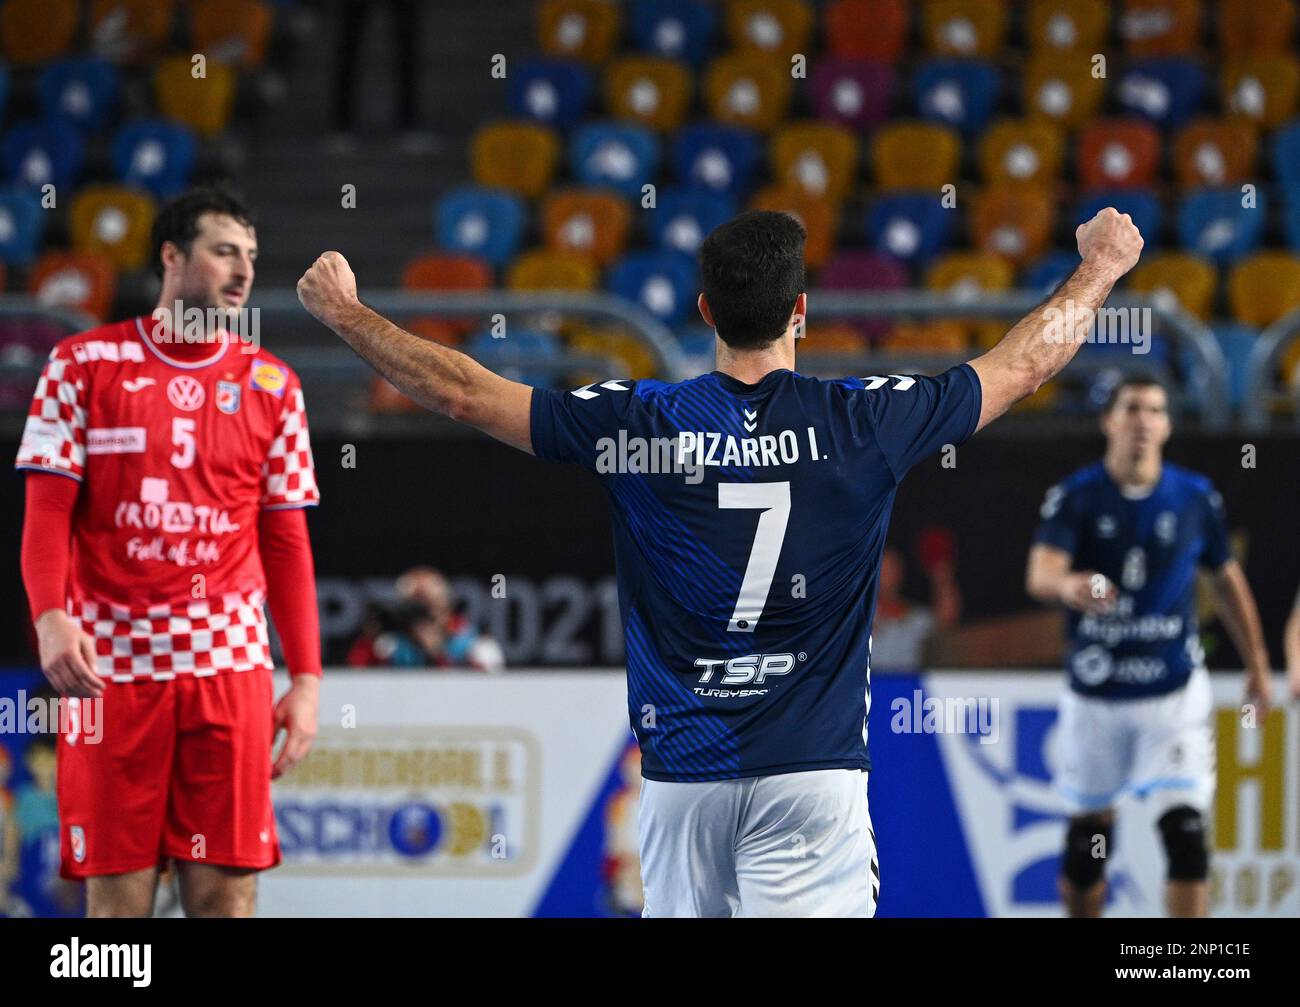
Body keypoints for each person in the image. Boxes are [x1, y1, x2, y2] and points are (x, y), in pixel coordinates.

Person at [297, 206, 1144, 917]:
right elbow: (1026, 364)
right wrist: (1102, 266)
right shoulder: (865, 422)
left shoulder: (639, 423)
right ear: (802, 311)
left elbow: (462, 391)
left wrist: (345, 313)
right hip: (814, 773)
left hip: (680, 781)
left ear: (703, 309)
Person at [15, 185, 323, 918]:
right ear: (172, 256)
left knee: (226, 897)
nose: (243, 270)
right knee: (119, 906)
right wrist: (50, 616)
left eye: (250, 255)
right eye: (224, 251)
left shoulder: (274, 383)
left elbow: (285, 540)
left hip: (229, 672)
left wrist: (306, 675)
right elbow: (48, 508)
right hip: (110, 675)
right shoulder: (81, 364)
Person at [1026, 373, 1272, 919]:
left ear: (1166, 426)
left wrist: (1257, 665)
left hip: (1172, 694)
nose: (1144, 420)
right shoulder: (1077, 496)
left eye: (1156, 410)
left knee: (1186, 836)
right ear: (1109, 420)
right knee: (1087, 850)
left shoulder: (1192, 497)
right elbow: (1041, 573)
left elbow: (1227, 583)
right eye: (1132, 408)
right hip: (1096, 698)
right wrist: (1072, 586)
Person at [346, 566, 505, 671]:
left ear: (445, 605)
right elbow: (356, 681)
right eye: (414, 606)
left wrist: (437, 652)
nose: (421, 615)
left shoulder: (473, 646)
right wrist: (371, 636)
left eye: (429, 605)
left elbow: (491, 696)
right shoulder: (389, 644)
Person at [870, 543, 961, 670]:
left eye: (891, 569)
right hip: (867, 686)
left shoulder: (913, 616)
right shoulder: (856, 614)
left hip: (909, 686)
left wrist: (942, 576)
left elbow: (946, 619)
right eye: (881, 568)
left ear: (899, 573)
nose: (885, 575)